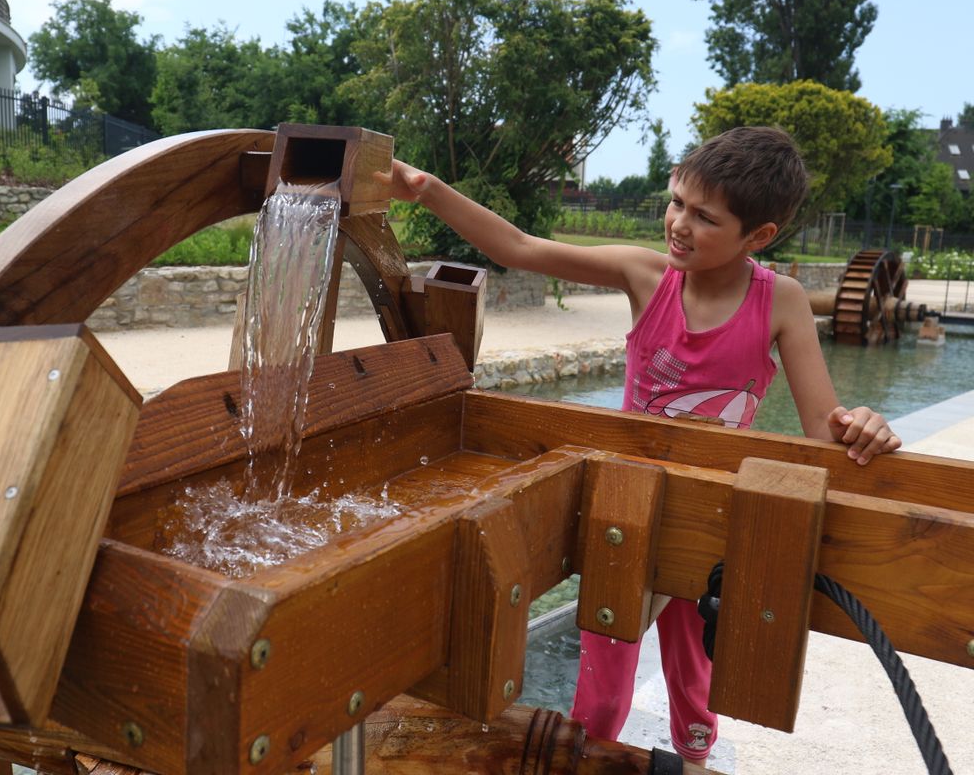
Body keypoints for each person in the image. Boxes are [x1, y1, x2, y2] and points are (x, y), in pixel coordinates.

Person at [378, 125, 901, 763]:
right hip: (625, 507)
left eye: (705, 217)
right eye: (677, 200)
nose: (678, 223)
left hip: (709, 515)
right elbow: (519, 247)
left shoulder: (779, 303)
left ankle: (695, 754)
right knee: (606, 669)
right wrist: (427, 190)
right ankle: (584, 754)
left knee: (694, 668)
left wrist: (865, 426)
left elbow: (825, 430)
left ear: (758, 236)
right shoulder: (644, 275)